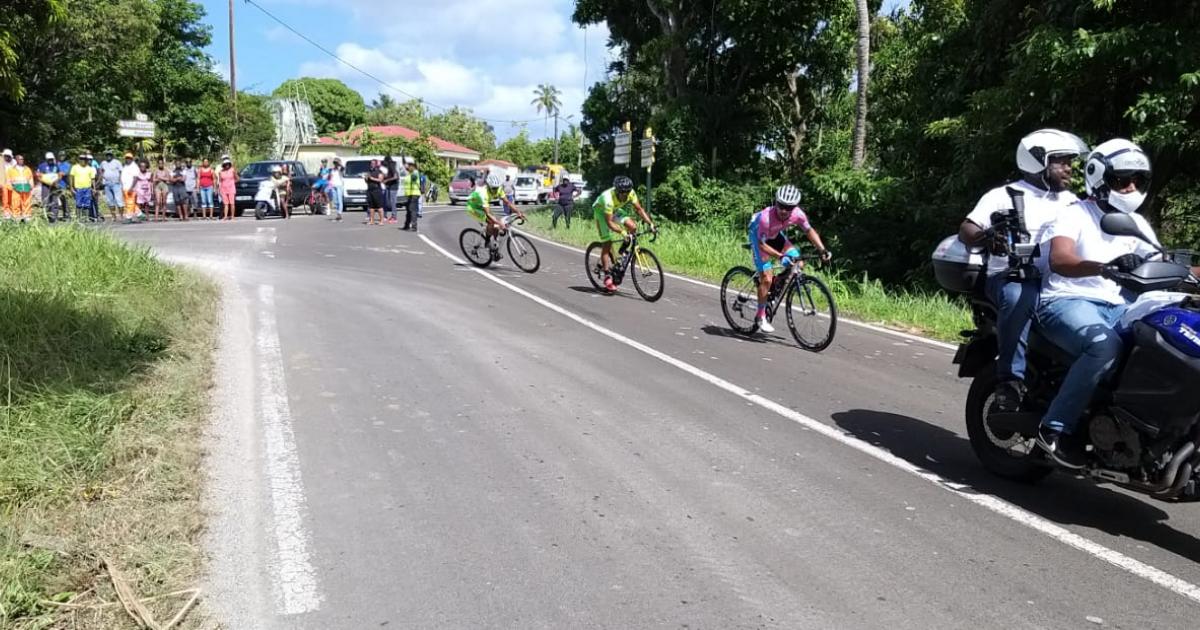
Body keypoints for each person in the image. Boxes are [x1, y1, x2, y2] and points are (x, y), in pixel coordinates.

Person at [1034, 138, 1200, 468]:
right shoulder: (1074, 215)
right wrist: (1104, 267)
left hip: (1120, 306)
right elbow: (1061, 259)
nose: (1131, 187)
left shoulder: (1136, 223)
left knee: (1161, 345)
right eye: (1123, 179)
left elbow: (1164, 262)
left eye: (1138, 181)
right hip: (1068, 299)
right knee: (1104, 347)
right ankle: (1054, 430)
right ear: (1100, 176)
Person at [958, 129, 1088, 411]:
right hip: (1008, 277)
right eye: (1061, 161)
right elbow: (967, 229)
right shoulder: (1004, 195)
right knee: (1020, 295)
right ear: (1037, 161)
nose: (1069, 168)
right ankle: (1009, 380)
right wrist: (988, 236)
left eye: (1070, 162)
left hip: (1058, 282)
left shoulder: (1073, 202)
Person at [746, 185, 831, 331]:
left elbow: (809, 230)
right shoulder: (766, 218)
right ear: (776, 202)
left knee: (799, 263)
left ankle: (775, 287)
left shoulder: (798, 214)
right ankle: (760, 316)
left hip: (774, 235)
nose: (784, 210)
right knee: (766, 277)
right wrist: (780, 257)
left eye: (788, 207)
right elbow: (762, 245)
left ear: (795, 207)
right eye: (781, 205)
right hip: (759, 238)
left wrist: (822, 249)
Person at [592, 175, 657, 293]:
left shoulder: (630, 193)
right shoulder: (608, 199)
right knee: (607, 242)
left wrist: (650, 223)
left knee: (633, 227)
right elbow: (610, 222)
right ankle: (607, 276)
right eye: (623, 193)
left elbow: (639, 209)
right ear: (617, 191)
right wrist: (622, 232)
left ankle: (621, 252)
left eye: (627, 192)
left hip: (615, 211)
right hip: (601, 213)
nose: (626, 195)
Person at [466, 173, 526, 259]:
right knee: (493, 222)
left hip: (482, 206)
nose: (495, 190)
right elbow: (487, 214)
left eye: (496, 188)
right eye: (493, 188)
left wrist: (518, 212)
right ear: (488, 186)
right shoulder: (484, 193)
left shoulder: (499, 189)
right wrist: (499, 224)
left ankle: (494, 247)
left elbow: (508, 203)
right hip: (474, 207)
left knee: (497, 224)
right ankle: (487, 241)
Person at [37, 152, 68, 222]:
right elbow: (38, 176)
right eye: (49, 159)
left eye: (52, 159)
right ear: (46, 159)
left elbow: (59, 174)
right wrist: (48, 182)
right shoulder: (42, 166)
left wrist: (56, 181)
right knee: (46, 200)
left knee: (55, 201)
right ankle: (47, 217)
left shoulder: (56, 166)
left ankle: (54, 217)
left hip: (55, 185)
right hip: (45, 186)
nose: (51, 160)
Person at [69, 154, 97, 222]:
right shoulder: (74, 167)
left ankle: (86, 218)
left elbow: (92, 179)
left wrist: (94, 188)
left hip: (87, 188)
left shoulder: (89, 168)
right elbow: (71, 177)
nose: (83, 160)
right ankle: (78, 218)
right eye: (81, 159)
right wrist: (71, 187)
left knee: (87, 204)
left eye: (84, 159)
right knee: (78, 203)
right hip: (78, 188)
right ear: (79, 159)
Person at [7, 154, 34, 222]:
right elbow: (8, 180)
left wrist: (31, 186)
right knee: (16, 203)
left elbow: (30, 178)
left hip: (26, 188)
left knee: (26, 202)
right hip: (16, 189)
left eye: (22, 159)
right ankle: (16, 217)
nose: (22, 160)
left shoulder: (27, 169)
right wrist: (11, 188)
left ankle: (26, 216)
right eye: (20, 159)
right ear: (16, 160)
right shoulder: (11, 170)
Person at [99, 151, 124, 221]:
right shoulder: (103, 163)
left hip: (116, 183)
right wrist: (102, 177)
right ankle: (113, 216)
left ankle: (121, 216)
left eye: (110, 155)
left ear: (112, 156)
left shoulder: (117, 162)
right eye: (107, 155)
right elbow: (100, 170)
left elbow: (121, 171)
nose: (108, 156)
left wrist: (120, 180)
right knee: (110, 201)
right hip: (107, 184)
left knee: (119, 200)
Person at [401, 157, 422, 231]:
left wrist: (411, 173)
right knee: (409, 211)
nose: (407, 167)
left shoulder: (415, 173)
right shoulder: (409, 173)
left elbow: (414, 178)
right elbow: (404, 165)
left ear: (412, 167)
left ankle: (414, 226)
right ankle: (406, 225)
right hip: (409, 194)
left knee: (413, 210)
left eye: (409, 166)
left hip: (414, 194)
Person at [120, 152, 141, 222]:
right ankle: (139, 214)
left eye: (129, 158)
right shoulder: (125, 166)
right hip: (125, 187)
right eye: (126, 158)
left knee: (130, 203)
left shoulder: (134, 167)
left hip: (131, 188)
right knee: (129, 203)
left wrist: (131, 188)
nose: (127, 159)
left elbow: (135, 178)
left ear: (132, 159)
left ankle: (128, 217)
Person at [365, 158, 386, 225]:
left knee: (379, 206)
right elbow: (367, 181)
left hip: (377, 190)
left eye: (373, 163)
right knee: (371, 206)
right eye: (371, 163)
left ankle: (381, 221)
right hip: (370, 190)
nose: (372, 164)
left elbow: (380, 180)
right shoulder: (369, 171)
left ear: (376, 164)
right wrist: (366, 179)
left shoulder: (379, 171)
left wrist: (372, 178)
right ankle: (371, 220)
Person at [381, 155, 399, 224]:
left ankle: (394, 217)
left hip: (393, 186)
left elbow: (395, 177)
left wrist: (386, 180)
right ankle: (386, 216)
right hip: (389, 185)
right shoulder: (389, 166)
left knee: (392, 202)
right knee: (387, 201)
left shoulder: (391, 165)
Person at [326, 157, 344, 221]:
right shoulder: (332, 170)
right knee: (335, 200)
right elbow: (329, 178)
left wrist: (339, 163)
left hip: (339, 185)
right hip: (333, 186)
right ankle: (337, 214)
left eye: (336, 163)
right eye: (334, 163)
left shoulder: (340, 169)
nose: (335, 164)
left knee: (339, 200)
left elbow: (342, 168)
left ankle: (340, 214)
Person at [0, 149, 12, 220]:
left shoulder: (13, 163)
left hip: (10, 183)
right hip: (3, 182)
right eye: (6, 156)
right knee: (5, 198)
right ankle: (5, 211)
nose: (7, 157)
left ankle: (9, 211)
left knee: (10, 198)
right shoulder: (1, 162)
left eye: (8, 156)